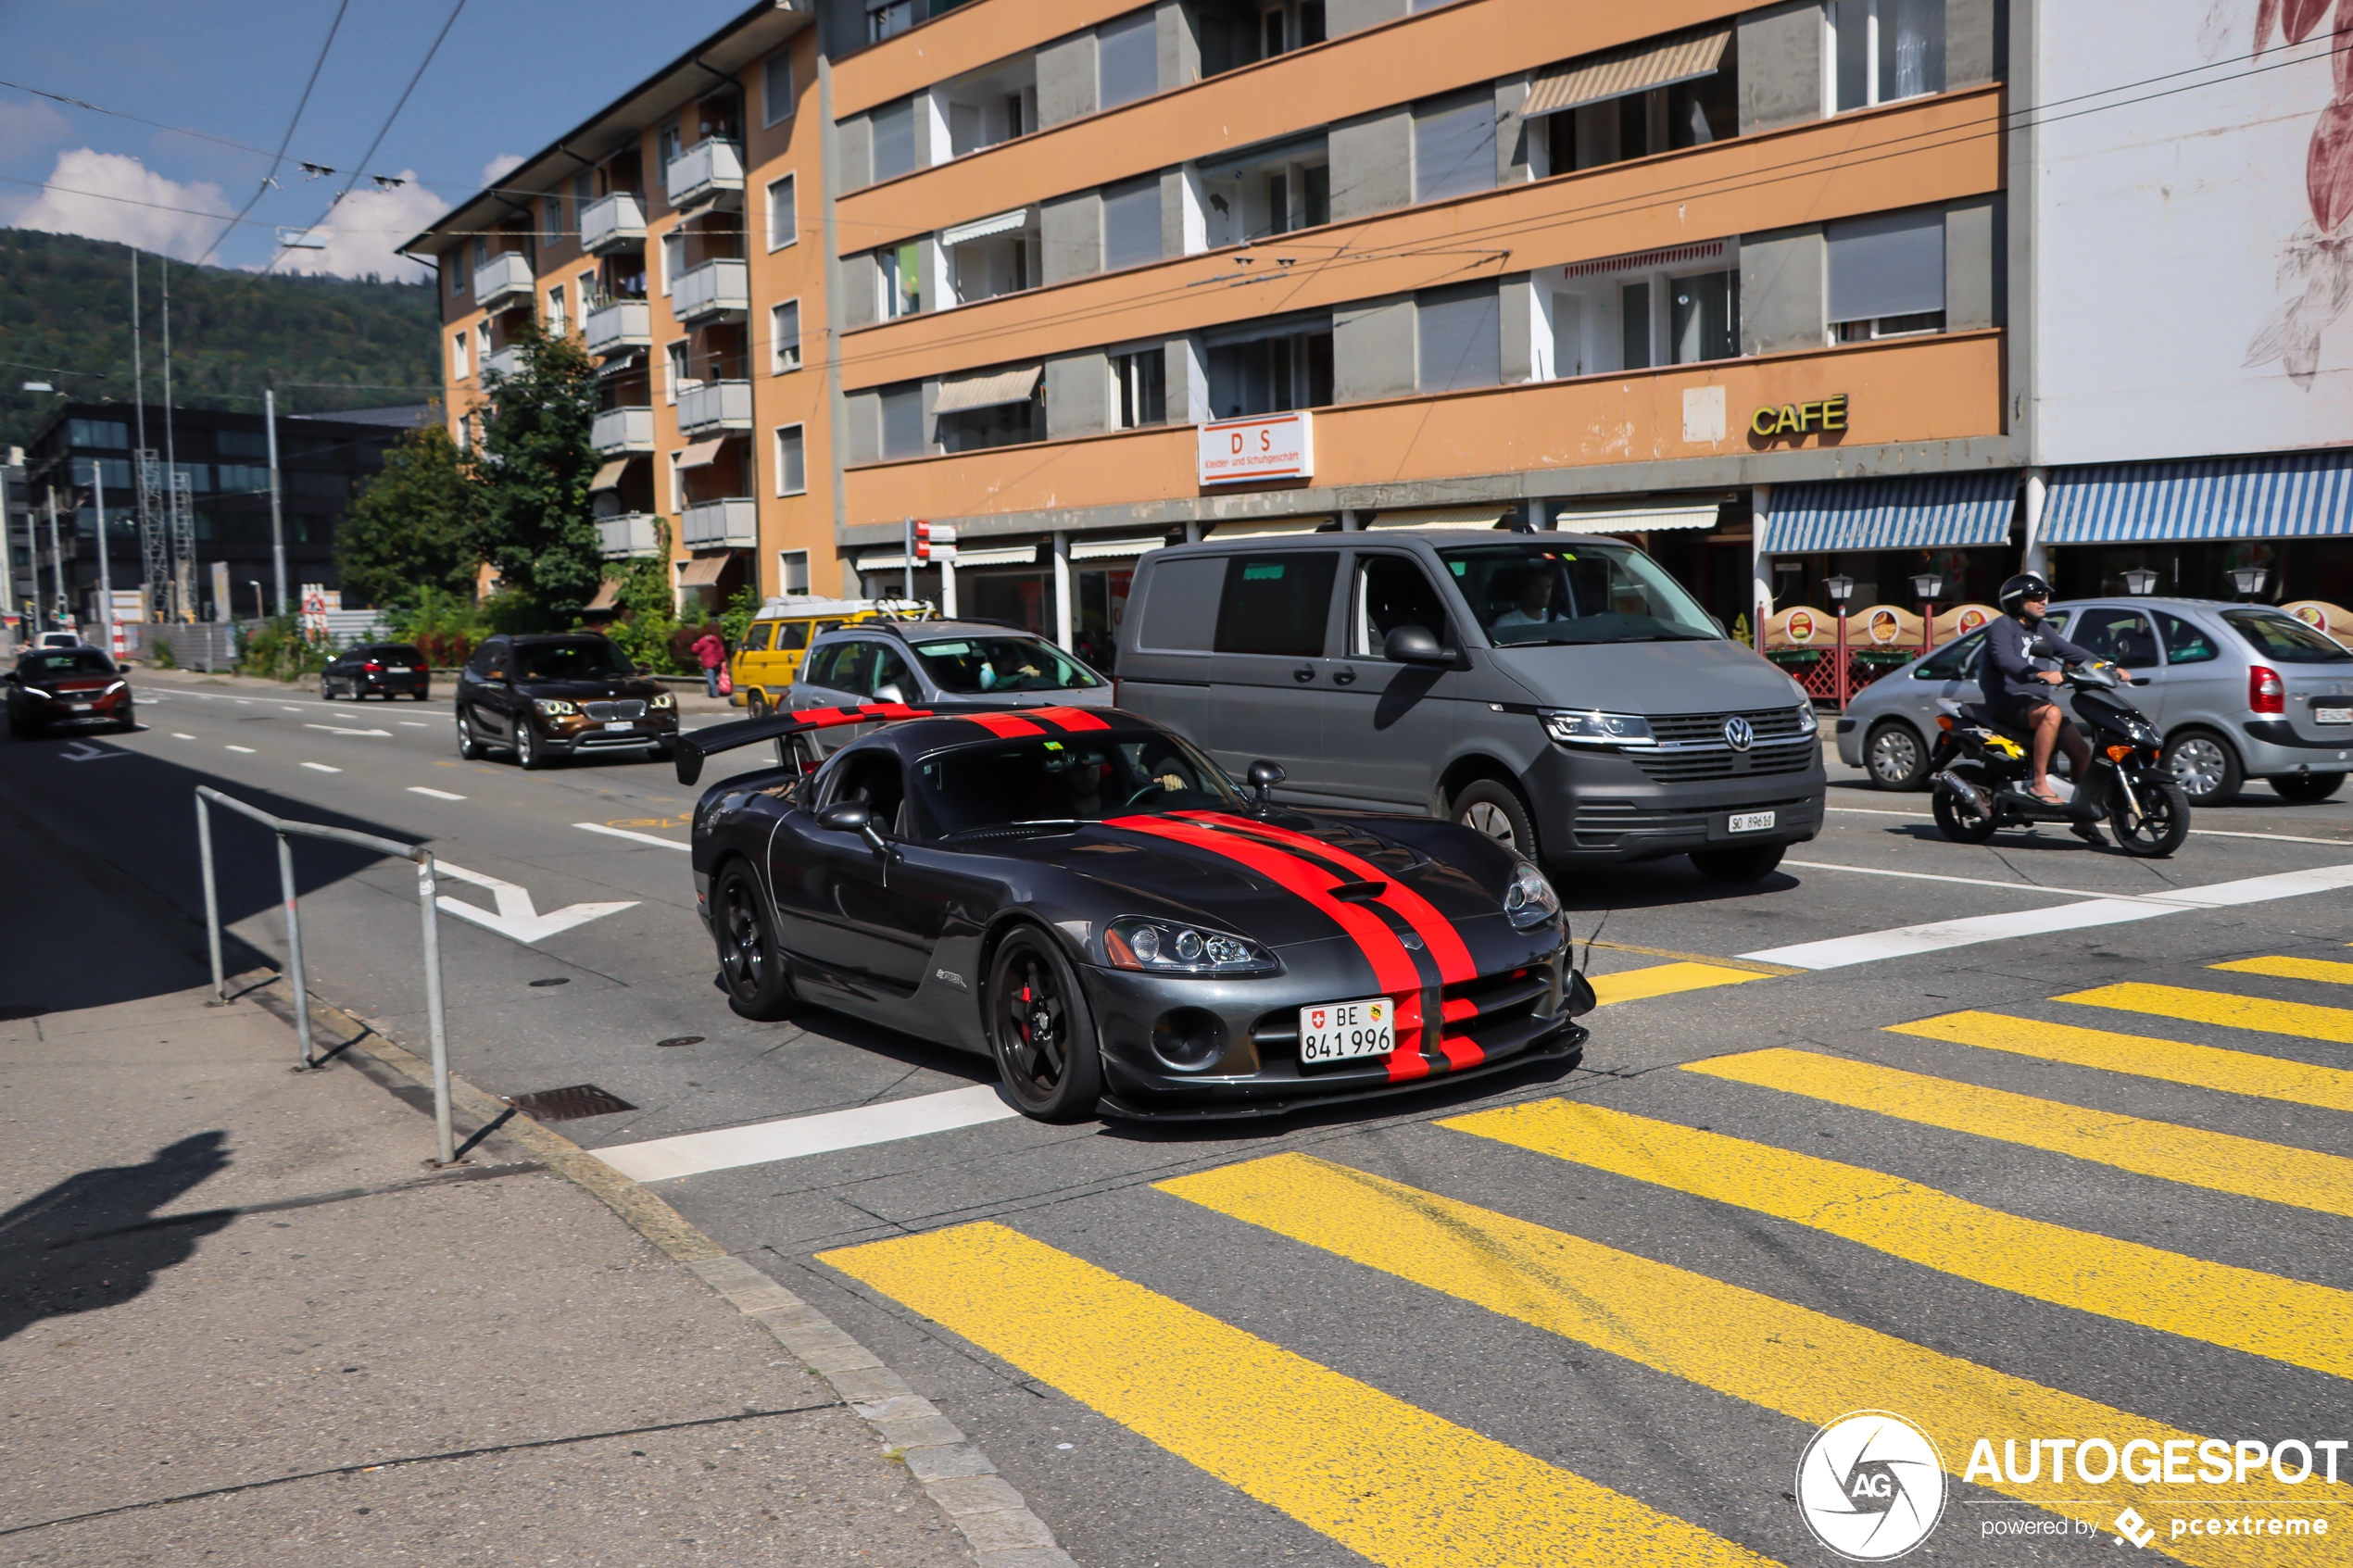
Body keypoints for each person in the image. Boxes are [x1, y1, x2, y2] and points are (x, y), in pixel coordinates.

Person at [1980, 572, 2102, 834]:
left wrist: (2105, 666)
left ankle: (2082, 819)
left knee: (2081, 751)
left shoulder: (2042, 628)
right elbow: (2006, 661)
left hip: (2034, 703)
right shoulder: (2003, 626)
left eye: (2044, 596)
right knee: (2052, 714)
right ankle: (2038, 783)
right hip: (2007, 702)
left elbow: (2068, 650)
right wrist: (2040, 674)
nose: (2043, 601)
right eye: (2035, 597)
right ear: (2016, 602)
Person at [1491, 567, 1562, 630]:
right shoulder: (1506, 624)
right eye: (1538, 587)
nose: (1544, 593)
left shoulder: (1559, 622)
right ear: (1525, 590)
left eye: (1548, 587)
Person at [691, 627, 726, 698]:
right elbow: (720, 650)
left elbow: (695, 651)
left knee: (711, 679)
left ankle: (714, 694)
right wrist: (722, 659)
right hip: (717, 662)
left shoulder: (702, 641)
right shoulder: (716, 639)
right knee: (713, 678)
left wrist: (694, 645)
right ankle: (711, 693)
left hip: (708, 663)